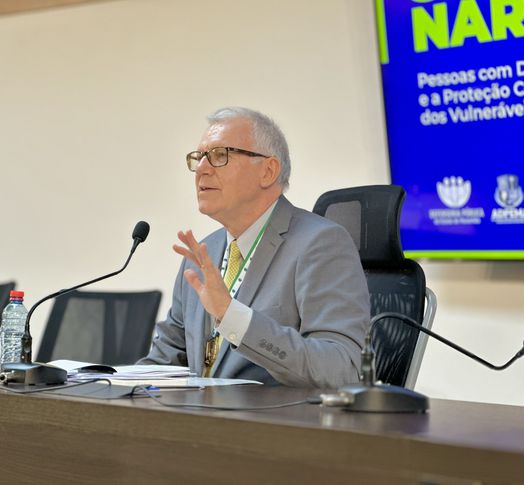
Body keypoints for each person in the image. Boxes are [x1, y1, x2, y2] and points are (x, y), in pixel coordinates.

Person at [138, 107, 370, 387]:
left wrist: (233, 317)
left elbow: (340, 368)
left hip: (276, 415)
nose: (201, 169)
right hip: (199, 412)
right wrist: (106, 384)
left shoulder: (320, 244)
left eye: (220, 155)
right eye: (199, 158)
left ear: (268, 171)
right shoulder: (201, 254)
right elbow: (165, 360)